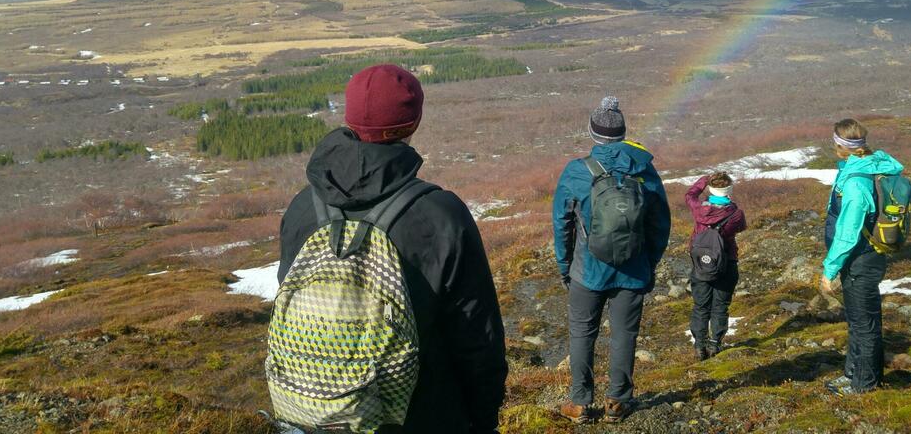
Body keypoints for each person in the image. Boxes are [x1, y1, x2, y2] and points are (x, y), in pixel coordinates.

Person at [276, 64, 508, 433]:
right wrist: (484, 418)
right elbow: (477, 336)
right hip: (422, 414)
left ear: (349, 118)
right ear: (413, 122)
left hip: (318, 412)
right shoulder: (440, 215)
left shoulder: (303, 206)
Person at [552, 96, 671, 424]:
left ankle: (580, 403)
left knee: (582, 333)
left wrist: (565, 266)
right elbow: (660, 225)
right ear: (623, 134)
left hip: (587, 271)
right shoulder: (645, 170)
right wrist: (648, 264)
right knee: (624, 334)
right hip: (633, 271)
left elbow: (562, 224)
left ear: (593, 133)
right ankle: (617, 401)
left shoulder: (577, 172)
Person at [820, 118, 904, 396]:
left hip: (860, 261)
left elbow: (848, 233)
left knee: (864, 325)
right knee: (859, 322)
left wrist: (829, 270)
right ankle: (853, 375)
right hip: (861, 259)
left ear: (840, 145)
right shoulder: (861, 166)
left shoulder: (856, 183)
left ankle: (864, 386)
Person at [685, 171, 747, 361]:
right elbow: (741, 227)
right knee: (720, 306)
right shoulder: (736, 213)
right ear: (729, 190)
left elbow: (690, 195)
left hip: (701, 265)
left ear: (711, 189)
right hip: (726, 263)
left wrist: (703, 180)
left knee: (700, 306)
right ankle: (715, 343)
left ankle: (699, 345)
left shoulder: (699, 209)